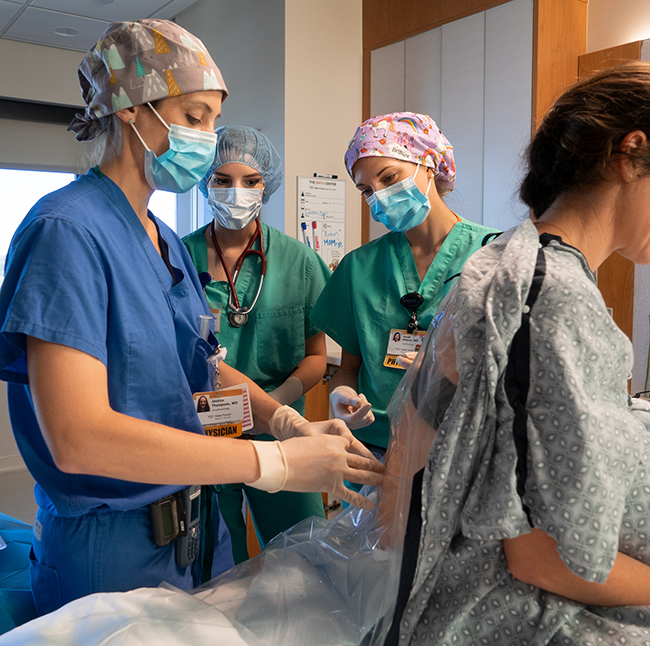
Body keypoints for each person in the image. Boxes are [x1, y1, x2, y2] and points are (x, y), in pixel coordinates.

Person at [379, 61, 650, 645]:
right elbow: (539, 559)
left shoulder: (515, 259)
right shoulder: (546, 299)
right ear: (632, 155)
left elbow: (422, 429)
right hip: (512, 606)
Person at [0, 19, 381, 616]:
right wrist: (271, 463)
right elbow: (77, 438)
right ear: (132, 109)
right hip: (111, 548)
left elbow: (207, 365)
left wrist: (287, 425)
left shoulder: (164, 241)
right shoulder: (66, 232)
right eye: (195, 116)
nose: (208, 138)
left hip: (195, 531)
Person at [183, 125, 331, 563]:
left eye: (250, 182)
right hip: (202, 434)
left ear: (267, 185)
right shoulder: (176, 257)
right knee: (209, 561)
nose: (236, 193)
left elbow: (317, 356)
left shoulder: (299, 261)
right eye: (222, 181)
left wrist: (278, 405)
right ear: (204, 184)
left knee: (306, 555)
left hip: (280, 435)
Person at [310, 112, 499, 452]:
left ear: (429, 164)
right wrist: (342, 395)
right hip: (373, 447)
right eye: (366, 189)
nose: (379, 196)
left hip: (457, 446)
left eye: (389, 178)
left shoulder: (492, 255)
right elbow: (348, 368)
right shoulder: (359, 267)